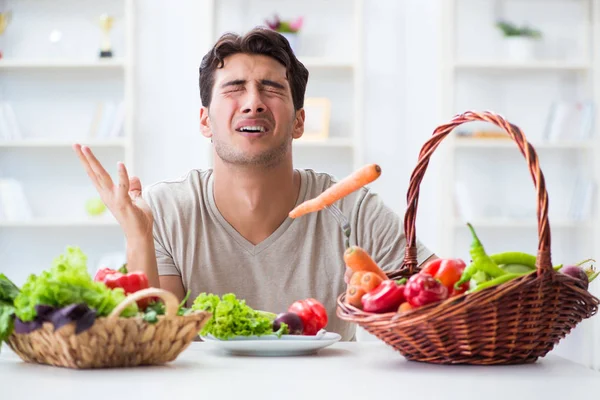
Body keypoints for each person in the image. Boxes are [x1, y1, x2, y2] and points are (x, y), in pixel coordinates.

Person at [73, 27, 435, 341]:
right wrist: (138, 237)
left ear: (298, 122)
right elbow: (147, 339)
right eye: (235, 88)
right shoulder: (164, 210)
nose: (253, 103)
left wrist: (378, 298)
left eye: (271, 88)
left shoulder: (356, 212)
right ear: (205, 121)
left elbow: (441, 298)